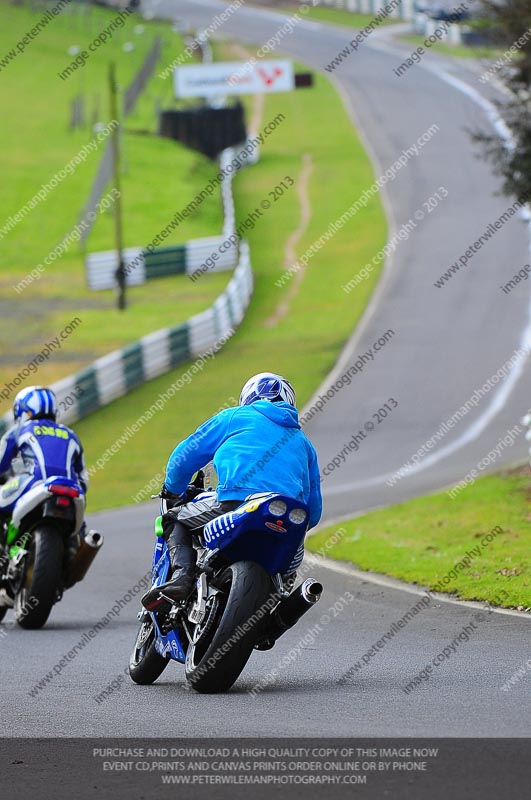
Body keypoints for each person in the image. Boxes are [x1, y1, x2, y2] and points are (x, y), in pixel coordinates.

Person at [141, 372, 322, 611]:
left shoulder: (234, 417)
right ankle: (277, 616)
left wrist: (173, 491)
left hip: (236, 502)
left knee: (173, 520)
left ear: (249, 397)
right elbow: (314, 510)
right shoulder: (303, 442)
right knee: (284, 582)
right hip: (290, 524)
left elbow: (184, 458)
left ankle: (181, 579)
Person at [0, 386, 88, 570]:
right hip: (72, 491)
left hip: (32, 483)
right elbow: (83, 479)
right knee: (83, 530)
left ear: (24, 411)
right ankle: (74, 547)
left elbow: (1, 463)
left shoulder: (20, 431)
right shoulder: (71, 435)